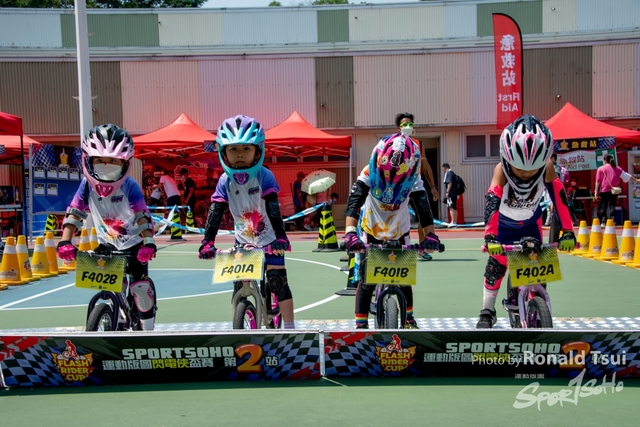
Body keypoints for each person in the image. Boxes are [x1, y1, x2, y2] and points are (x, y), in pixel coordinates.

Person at [477, 115, 576, 329]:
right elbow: (492, 200)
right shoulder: (501, 170)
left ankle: (537, 304)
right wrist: (490, 236)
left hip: (531, 224)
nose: (526, 174)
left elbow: (560, 199)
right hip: (503, 227)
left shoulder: (547, 168)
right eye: (520, 169)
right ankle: (487, 310)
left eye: (532, 170)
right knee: (496, 267)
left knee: (538, 267)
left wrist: (568, 231)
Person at [198, 115, 296, 329]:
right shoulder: (224, 181)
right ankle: (238, 327)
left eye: (246, 148)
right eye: (233, 149)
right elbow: (216, 211)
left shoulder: (264, 176)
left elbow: (273, 208)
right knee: (238, 289)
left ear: (257, 151)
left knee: (278, 282)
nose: (240, 154)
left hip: (270, 241)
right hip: (243, 242)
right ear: (223, 152)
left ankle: (290, 328)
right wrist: (207, 241)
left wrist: (281, 237)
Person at [56, 124, 158, 330]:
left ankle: (148, 330)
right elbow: (75, 212)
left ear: (124, 163)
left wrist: (148, 242)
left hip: (134, 246)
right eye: (100, 161)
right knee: (113, 284)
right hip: (107, 245)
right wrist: (65, 241)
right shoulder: (86, 185)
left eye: (113, 162)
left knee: (140, 287)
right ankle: (117, 318)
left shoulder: (130, 186)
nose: (106, 166)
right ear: (88, 161)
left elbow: (141, 215)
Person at [343, 131, 442, 329]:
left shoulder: (414, 178)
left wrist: (431, 234)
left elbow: (423, 207)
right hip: (371, 229)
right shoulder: (368, 173)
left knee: (403, 279)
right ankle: (361, 326)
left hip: (399, 230)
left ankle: (409, 319)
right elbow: (354, 201)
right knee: (366, 281)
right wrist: (350, 232)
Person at [396, 112, 439, 261]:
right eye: (404, 124)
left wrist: (433, 187)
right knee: (395, 217)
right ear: (399, 127)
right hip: (399, 186)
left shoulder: (418, 143)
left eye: (410, 124)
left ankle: (422, 247)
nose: (408, 126)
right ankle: (397, 247)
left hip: (415, 185)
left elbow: (425, 165)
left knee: (424, 216)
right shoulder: (393, 143)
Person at [594, 154, 640, 224]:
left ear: (604, 160)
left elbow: (598, 181)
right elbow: (626, 176)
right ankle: (613, 220)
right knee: (612, 205)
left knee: (604, 205)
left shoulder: (600, 169)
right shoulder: (617, 168)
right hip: (614, 190)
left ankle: (603, 221)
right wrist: (636, 180)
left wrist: (596, 191)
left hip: (604, 190)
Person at [441, 163, 458, 227]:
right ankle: (455, 221)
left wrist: (447, 192)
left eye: (443, 168)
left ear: (445, 167)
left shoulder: (448, 173)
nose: (443, 170)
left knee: (450, 207)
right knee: (454, 207)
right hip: (454, 193)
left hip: (451, 193)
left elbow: (449, 183)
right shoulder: (452, 173)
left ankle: (453, 221)